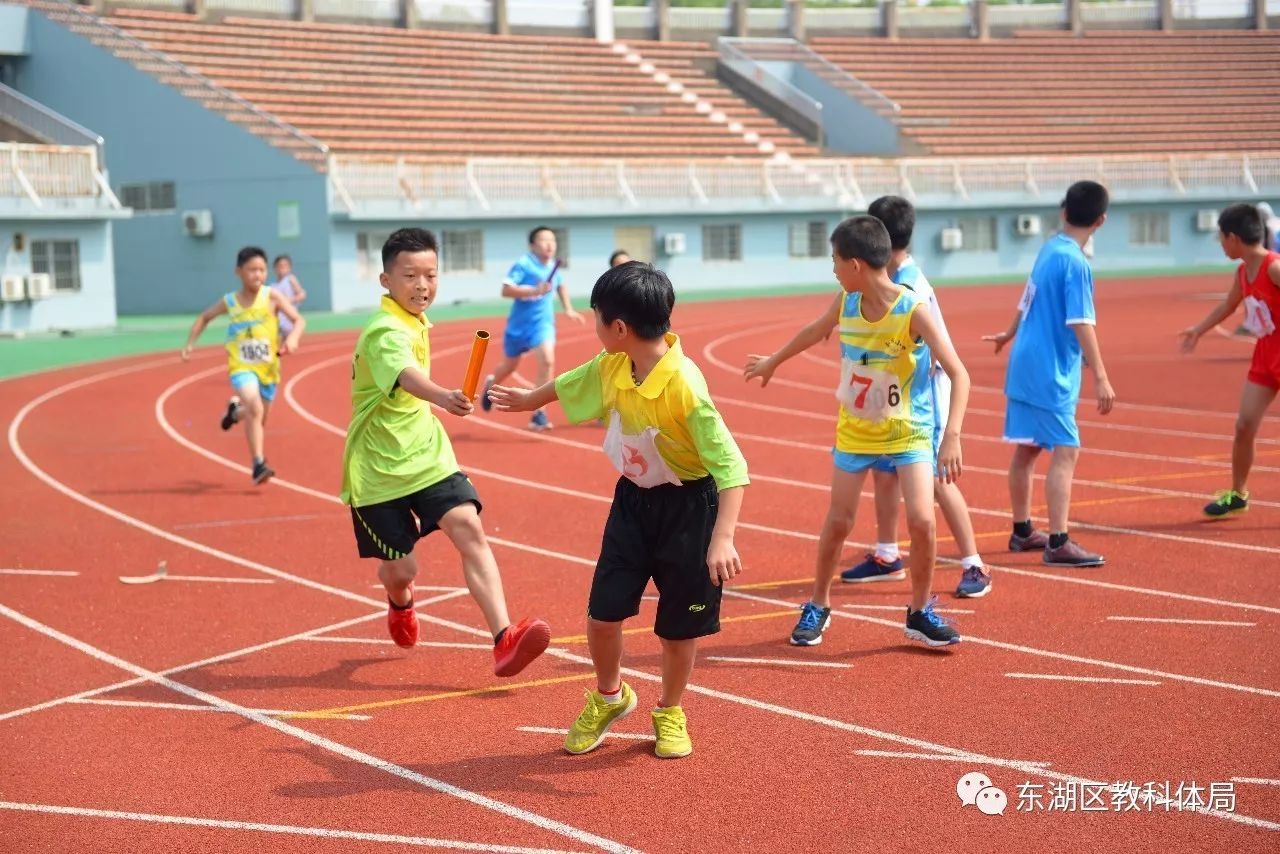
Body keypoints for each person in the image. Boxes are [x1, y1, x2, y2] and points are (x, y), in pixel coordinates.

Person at [488, 261, 748, 759]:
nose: (594, 327)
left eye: (597, 319)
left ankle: (670, 710)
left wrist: (723, 537)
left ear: (621, 329)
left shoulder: (686, 389)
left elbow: (732, 467)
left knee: (679, 626)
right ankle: (611, 696)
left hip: (690, 510)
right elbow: (571, 381)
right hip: (632, 504)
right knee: (603, 615)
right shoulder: (614, 363)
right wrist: (528, 400)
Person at [744, 216, 970, 648]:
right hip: (857, 431)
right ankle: (818, 604)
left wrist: (952, 436)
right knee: (839, 522)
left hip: (908, 431)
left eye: (834, 260)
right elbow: (816, 331)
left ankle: (920, 610)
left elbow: (960, 374)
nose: (831, 269)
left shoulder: (912, 310)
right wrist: (774, 360)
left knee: (922, 520)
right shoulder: (845, 303)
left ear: (855, 265)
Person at [340, 227, 550, 675]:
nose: (422, 285)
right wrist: (442, 396)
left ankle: (503, 638)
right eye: (410, 275)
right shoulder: (384, 331)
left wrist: (435, 403)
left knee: (468, 528)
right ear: (385, 281)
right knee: (402, 570)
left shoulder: (416, 320)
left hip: (427, 453)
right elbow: (405, 374)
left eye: (430, 275)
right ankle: (400, 602)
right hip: (377, 470)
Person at [983, 180, 1115, 567]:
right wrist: (1102, 375)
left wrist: (1010, 332)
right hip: (1048, 370)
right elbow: (1081, 322)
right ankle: (1058, 541)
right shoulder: (1075, 261)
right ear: (1101, 221)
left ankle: (1022, 531)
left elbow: (1028, 296)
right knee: (1066, 448)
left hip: (1026, 361)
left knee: (1028, 448)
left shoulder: (1050, 248)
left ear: (1063, 212)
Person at [1179, 203, 1280, 518]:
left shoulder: (1274, 268)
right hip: (1266, 354)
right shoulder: (1243, 271)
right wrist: (1198, 330)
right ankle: (1239, 494)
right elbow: (1228, 305)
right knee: (1244, 425)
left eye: (1221, 239)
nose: (1221, 245)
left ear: (1234, 238)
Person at [181, 246, 304, 485]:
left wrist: (293, 338)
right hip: (241, 367)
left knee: (258, 416)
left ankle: (234, 413)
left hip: (269, 368)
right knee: (255, 408)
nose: (257, 275)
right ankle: (258, 464)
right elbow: (205, 317)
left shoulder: (272, 297)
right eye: (251, 270)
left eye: (261, 270)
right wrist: (190, 344)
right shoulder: (231, 301)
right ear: (238, 272)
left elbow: (298, 320)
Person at [480, 226, 584, 430]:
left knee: (547, 360)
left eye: (553, 241)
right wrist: (534, 291)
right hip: (519, 326)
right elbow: (505, 290)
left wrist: (569, 309)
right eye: (544, 240)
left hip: (542, 325)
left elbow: (561, 285)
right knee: (510, 366)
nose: (549, 245)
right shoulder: (524, 265)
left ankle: (539, 413)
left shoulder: (553, 266)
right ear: (532, 245)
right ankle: (491, 383)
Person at [270, 254, 307, 342]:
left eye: (285, 266)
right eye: (280, 266)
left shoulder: (290, 279)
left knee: (285, 344)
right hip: (277, 318)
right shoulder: (272, 285)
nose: (282, 268)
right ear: (275, 268)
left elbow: (302, 294)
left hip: (288, 317)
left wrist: (287, 301)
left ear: (290, 268)